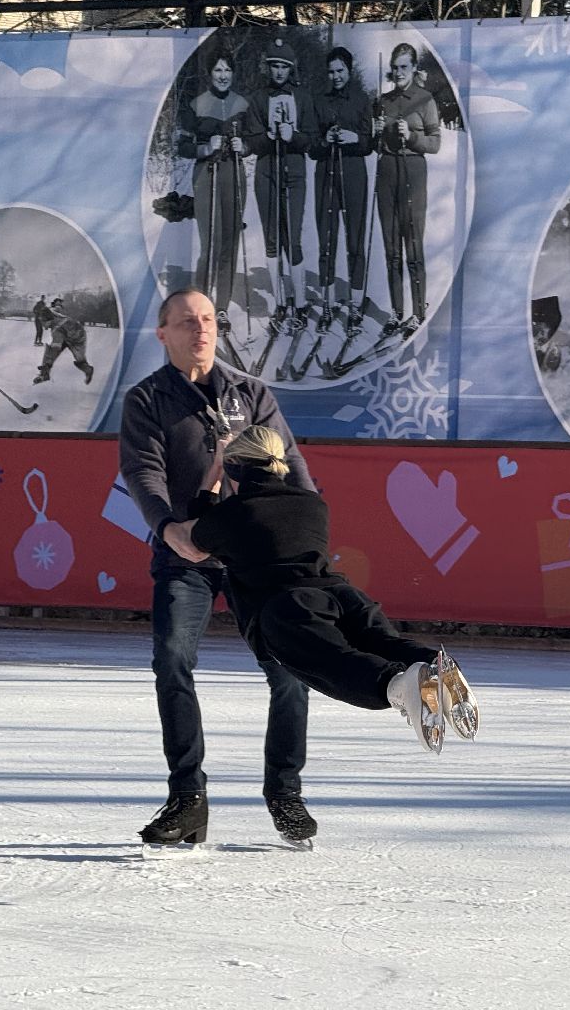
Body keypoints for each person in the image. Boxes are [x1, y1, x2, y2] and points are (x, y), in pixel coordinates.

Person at [118, 288, 315, 848]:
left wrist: (306, 538)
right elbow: (142, 472)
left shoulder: (251, 394)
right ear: (163, 334)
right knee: (173, 660)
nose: (200, 330)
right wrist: (169, 528)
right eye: (186, 322)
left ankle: (285, 792)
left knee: (289, 669)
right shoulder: (147, 399)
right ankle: (188, 798)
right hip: (187, 554)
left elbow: (292, 466)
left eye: (207, 320)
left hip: (256, 556)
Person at [179, 424, 479, 761]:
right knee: (383, 641)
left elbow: (196, 537)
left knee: (335, 665)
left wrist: (214, 473)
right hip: (341, 594)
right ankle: (429, 663)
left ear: (236, 466)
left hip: (287, 609)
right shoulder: (312, 505)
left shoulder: (232, 515)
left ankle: (398, 685)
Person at [245, 38, 317, 331]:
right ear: (268, 67)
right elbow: (251, 141)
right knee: (272, 238)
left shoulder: (303, 97)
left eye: (283, 67)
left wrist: (293, 136)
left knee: (293, 238)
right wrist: (270, 137)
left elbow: (311, 139)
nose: (278, 72)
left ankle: (299, 302)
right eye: (274, 66)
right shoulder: (258, 98)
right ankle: (278, 303)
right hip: (266, 173)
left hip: (295, 173)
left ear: (291, 69)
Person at [177, 49, 250, 330]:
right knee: (211, 242)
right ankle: (203, 304)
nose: (222, 76)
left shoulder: (242, 103)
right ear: (210, 73)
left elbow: (254, 138)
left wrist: (243, 146)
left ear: (233, 74)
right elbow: (183, 146)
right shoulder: (197, 104)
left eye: (227, 71)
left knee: (230, 243)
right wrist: (205, 147)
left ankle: (221, 308)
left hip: (234, 173)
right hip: (207, 173)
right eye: (218, 71)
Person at [374, 42, 440, 338]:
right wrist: (375, 133)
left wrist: (412, 136)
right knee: (391, 248)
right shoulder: (383, 101)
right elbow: (373, 143)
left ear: (414, 68)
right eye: (396, 67)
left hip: (413, 169)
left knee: (412, 245)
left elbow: (435, 143)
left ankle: (418, 313)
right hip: (386, 170)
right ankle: (396, 312)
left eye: (405, 67)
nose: (399, 72)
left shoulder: (425, 100)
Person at [310, 46, 374, 336]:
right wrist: (324, 139)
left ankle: (356, 304)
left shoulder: (362, 100)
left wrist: (354, 137)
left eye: (340, 71)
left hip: (353, 173)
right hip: (326, 173)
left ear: (349, 71)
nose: (336, 76)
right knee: (327, 239)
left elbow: (369, 142)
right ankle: (326, 303)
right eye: (331, 71)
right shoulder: (319, 100)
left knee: (355, 239)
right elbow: (310, 145)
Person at [33, 297, 94, 385]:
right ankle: (87, 369)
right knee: (78, 358)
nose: (42, 325)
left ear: (48, 320)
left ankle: (45, 373)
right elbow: (53, 310)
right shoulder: (52, 314)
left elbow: (56, 347)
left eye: (43, 322)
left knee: (52, 351)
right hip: (77, 333)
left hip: (76, 338)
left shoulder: (56, 329)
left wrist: (47, 364)